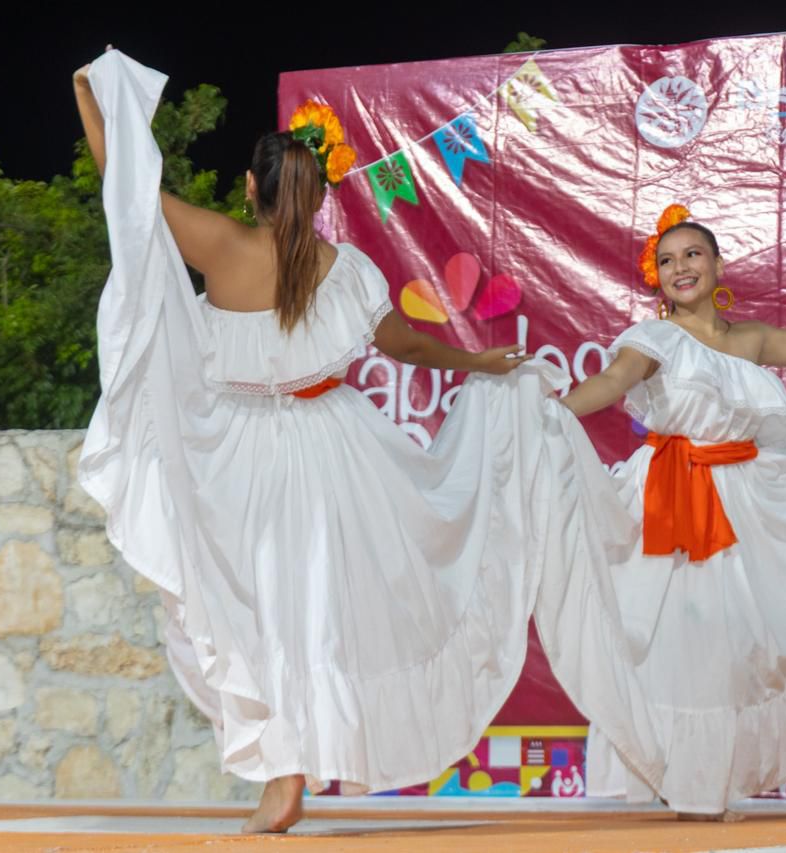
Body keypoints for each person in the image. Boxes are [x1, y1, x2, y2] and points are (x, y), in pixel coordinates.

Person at [72, 50, 570, 834]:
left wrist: (92, 102)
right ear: (318, 197)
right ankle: (300, 761)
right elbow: (403, 346)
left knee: (259, 613)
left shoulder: (222, 245)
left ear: (251, 188)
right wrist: (475, 359)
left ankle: (284, 773)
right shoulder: (348, 267)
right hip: (333, 445)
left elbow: (126, 189)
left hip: (239, 452)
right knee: (315, 613)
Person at [531, 206, 786, 818]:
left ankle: (707, 780)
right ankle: (687, 782)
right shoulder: (656, 339)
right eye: (667, 260)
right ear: (658, 279)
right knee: (685, 641)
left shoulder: (748, 338)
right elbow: (614, 381)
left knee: (733, 647)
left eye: (692, 254)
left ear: (718, 263)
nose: (680, 267)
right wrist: (558, 410)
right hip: (673, 500)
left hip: (743, 499)